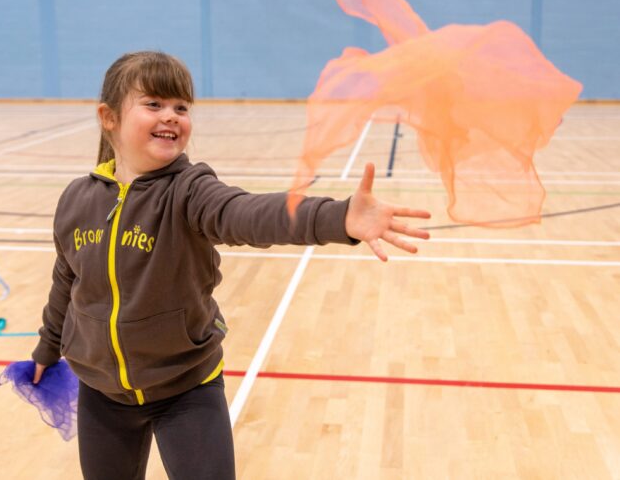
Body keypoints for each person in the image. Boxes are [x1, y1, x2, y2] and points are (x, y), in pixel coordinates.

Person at [31, 51, 430, 479]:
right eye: (154, 104)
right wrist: (47, 348)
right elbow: (67, 282)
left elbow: (247, 213)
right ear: (108, 117)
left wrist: (337, 217)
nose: (172, 116)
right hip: (101, 394)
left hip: (185, 388)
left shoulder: (189, 190)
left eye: (181, 107)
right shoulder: (77, 199)